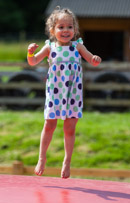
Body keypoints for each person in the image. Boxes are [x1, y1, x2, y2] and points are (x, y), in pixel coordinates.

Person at [27, 7, 101, 179]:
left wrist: (95, 59)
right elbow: (33, 62)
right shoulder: (49, 47)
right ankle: (42, 158)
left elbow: (91, 60)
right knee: (49, 125)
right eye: (61, 27)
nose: (66, 30)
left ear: (75, 30)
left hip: (73, 94)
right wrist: (30, 52)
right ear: (53, 30)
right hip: (55, 93)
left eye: (69, 27)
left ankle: (67, 161)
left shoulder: (78, 46)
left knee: (69, 128)